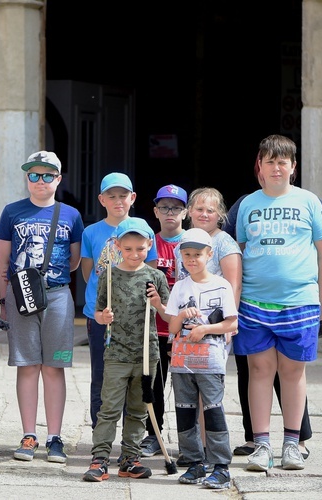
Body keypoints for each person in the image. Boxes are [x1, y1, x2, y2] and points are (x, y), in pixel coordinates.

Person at [223, 160, 322, 461]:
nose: (276, 169)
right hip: (253, 303)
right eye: (270, 162)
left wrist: (321, 301)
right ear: (259, 167)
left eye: (282, 162)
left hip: (298, 302)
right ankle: (261, 444)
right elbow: (231, 249)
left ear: (293, 167)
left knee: (292, 371)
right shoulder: (246, 204)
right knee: (258, 371)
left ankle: (293, 444)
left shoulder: (309, 201)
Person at [0, 150, 83, 463]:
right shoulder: (12, 212)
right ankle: (29, 434)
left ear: (58, 179)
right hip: (20, 294)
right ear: (27, 178)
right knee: (28, 364)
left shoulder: (71, 215)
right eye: (34, 175)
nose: (41, 181)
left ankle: (54, 436)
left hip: (57, 295)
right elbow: (2, 259)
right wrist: (3, 298)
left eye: (48, 175)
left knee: (54, 366)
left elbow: (74, 260)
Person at [82, 217, 169, 482]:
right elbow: (97, 312)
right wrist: (103, 317)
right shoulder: (108, 274)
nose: (134, 254)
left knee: (139, 409)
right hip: (117, 354)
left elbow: (168, 314)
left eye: (140, 249)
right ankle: (100, 458)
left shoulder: (156, 277)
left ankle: (130, 458)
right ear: (118, 245)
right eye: (128, 248)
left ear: (149, 245)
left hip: (146, 355)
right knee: (109, 407)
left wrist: (157, 304)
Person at [80, 172, 158, 429]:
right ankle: (99, 434)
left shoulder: (144, 229)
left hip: (134, 317)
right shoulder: (91, 232)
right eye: (111, 196)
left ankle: (130, 438)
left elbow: (152, 271)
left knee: (134, 376)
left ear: (132, 197)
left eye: (123, 195)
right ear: (101, 199)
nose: (118, 201)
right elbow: (88, 272)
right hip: (100, 314)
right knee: (101, 376)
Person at [166, 227, 238, 489]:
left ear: (209, 254)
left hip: (210, 360)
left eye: (197, 254)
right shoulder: (181, 287)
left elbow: (231, 324)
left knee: (213, 410)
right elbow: (172, 327)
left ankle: (221, 466)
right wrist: (184, 316)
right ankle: (195, 462)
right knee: (185, 411)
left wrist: (205, 328)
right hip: (182, 362)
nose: (192, 259)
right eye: (187, 255)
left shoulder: (221, 285)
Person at [177, 186, 242, 467]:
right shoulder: (185, 241)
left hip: (213, 328)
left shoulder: (224, 243)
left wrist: (229, 324)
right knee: (189, 392)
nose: (204, 214)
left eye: (210, 210)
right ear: (189, 212)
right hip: (188, 331)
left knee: (209, 392)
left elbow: (233, 284)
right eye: (199, 208)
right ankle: (195, 450)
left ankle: (209, 448)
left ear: (220, 215)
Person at [140, 184, 188, 457]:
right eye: (165, 207)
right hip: (155, 327)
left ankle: (187, 437)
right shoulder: (148, 243)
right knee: (154, 383)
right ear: (156, 211)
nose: (170, 213)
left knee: (185, 385)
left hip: (184, 328)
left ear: (185, 212)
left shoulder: (192, 243)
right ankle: (153, 434)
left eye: (176, 207)